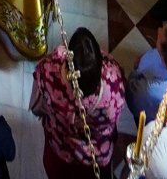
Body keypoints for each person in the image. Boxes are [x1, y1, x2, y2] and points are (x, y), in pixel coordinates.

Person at [30, 27, 124, 177]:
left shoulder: (48, 72)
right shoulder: (114, 82)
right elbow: (115, 117)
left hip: (60, 149)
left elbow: (37, 105)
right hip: (97, 156)